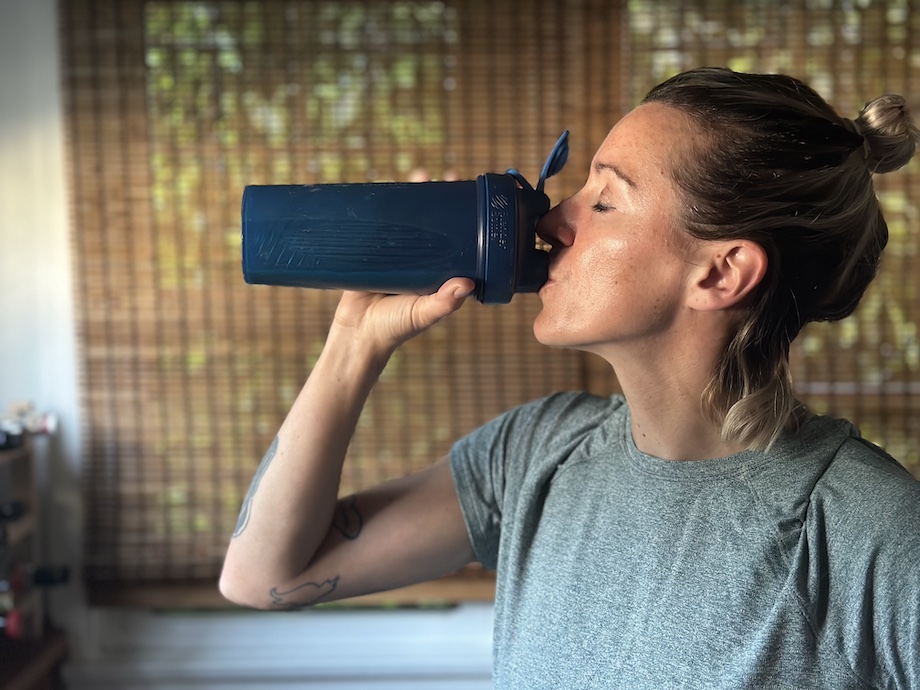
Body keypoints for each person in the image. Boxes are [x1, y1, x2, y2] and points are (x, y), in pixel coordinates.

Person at [220, 67, 920, 688]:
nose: (554, 218)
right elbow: (266, 576)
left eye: (605, 200)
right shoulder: (537, 453)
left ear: (720, 272)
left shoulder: (869, 531)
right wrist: (355, 341)